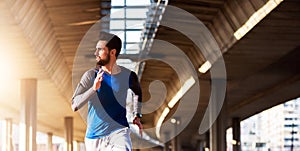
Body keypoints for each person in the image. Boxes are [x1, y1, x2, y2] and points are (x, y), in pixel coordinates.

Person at [71, 32, 143, 151]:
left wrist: (137, 114)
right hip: (94, 137)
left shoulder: (128, 75)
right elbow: (74, 105)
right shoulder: (90, 76)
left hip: (119, 132)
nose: (96, 53)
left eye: (100, 50)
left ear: (112, 52)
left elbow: (137, 92)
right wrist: (94, 88)